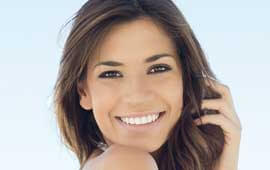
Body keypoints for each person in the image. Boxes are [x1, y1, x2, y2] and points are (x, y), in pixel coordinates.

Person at [53, 0, 242, 170]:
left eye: (158, 69)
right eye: (111, 74)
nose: (137, 96)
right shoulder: (127, 163)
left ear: (186, 78)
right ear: (83, 92)